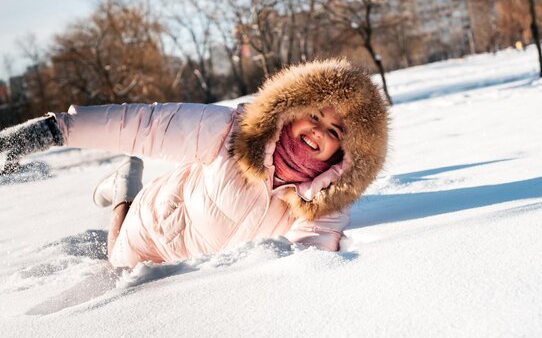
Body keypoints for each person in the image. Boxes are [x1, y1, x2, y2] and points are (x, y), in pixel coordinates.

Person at [0, 59, 388, 268]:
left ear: (343, 152)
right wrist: (55, 130)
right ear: (293, 109)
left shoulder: (325, 201)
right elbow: (147, 125)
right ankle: (125, 189)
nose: (318, 131)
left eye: (335, 131)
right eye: (315, 116)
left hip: (195, 271)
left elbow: (308, 258)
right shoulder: (235, 132)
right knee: (115, 258)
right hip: (153, 231)